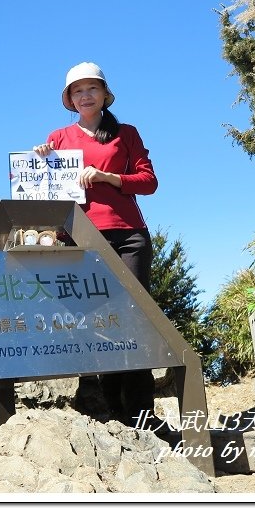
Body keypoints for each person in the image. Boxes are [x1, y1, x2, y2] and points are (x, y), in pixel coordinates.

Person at [33, 61, 166, 433]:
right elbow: (44, 189)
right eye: (77, 90)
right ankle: (116, 417)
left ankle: (143, 414)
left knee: (135, 320)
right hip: (81, 238)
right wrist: (39, 159)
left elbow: (149, 181)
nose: (85, 95)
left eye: (92, 88)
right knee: (100, 323)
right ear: (70, 100)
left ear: (105, 95)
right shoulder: (57, 139)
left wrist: (109, 177)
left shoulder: (125, 133)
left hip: (128, 235)